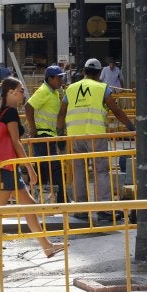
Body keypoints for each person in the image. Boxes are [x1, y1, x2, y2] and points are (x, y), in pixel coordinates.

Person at [0, 77, 65, 269]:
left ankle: (47, 246)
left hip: (7, 167)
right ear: (11, 92)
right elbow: (15, 143)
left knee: (27, 206)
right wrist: (30, 168)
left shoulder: (2, 111)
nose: (24, 93)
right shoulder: (11, 113)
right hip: (8, 168)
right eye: (21, 90)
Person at [57, 58, 135, 223]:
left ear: (84, 71)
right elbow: (116, 110)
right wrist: (131, 126)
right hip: (96, 136)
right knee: (101, 172)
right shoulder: (102, 88)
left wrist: (59, 134)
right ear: (99, 73)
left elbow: (62, 113)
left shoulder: (70, 89)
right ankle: (104, 210)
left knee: (78, 172)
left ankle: (80, 209)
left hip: (75, 136)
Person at [24, 65, 66, 203]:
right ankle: (60, 199)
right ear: (50, 78)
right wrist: (33, 128)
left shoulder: (53, 92)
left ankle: (39, 199)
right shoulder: (44, 91)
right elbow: (29, 106)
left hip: (49, 135)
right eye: (59, 78)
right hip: (43, 136)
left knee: (45, 169)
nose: (61, 80)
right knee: (51, 168)